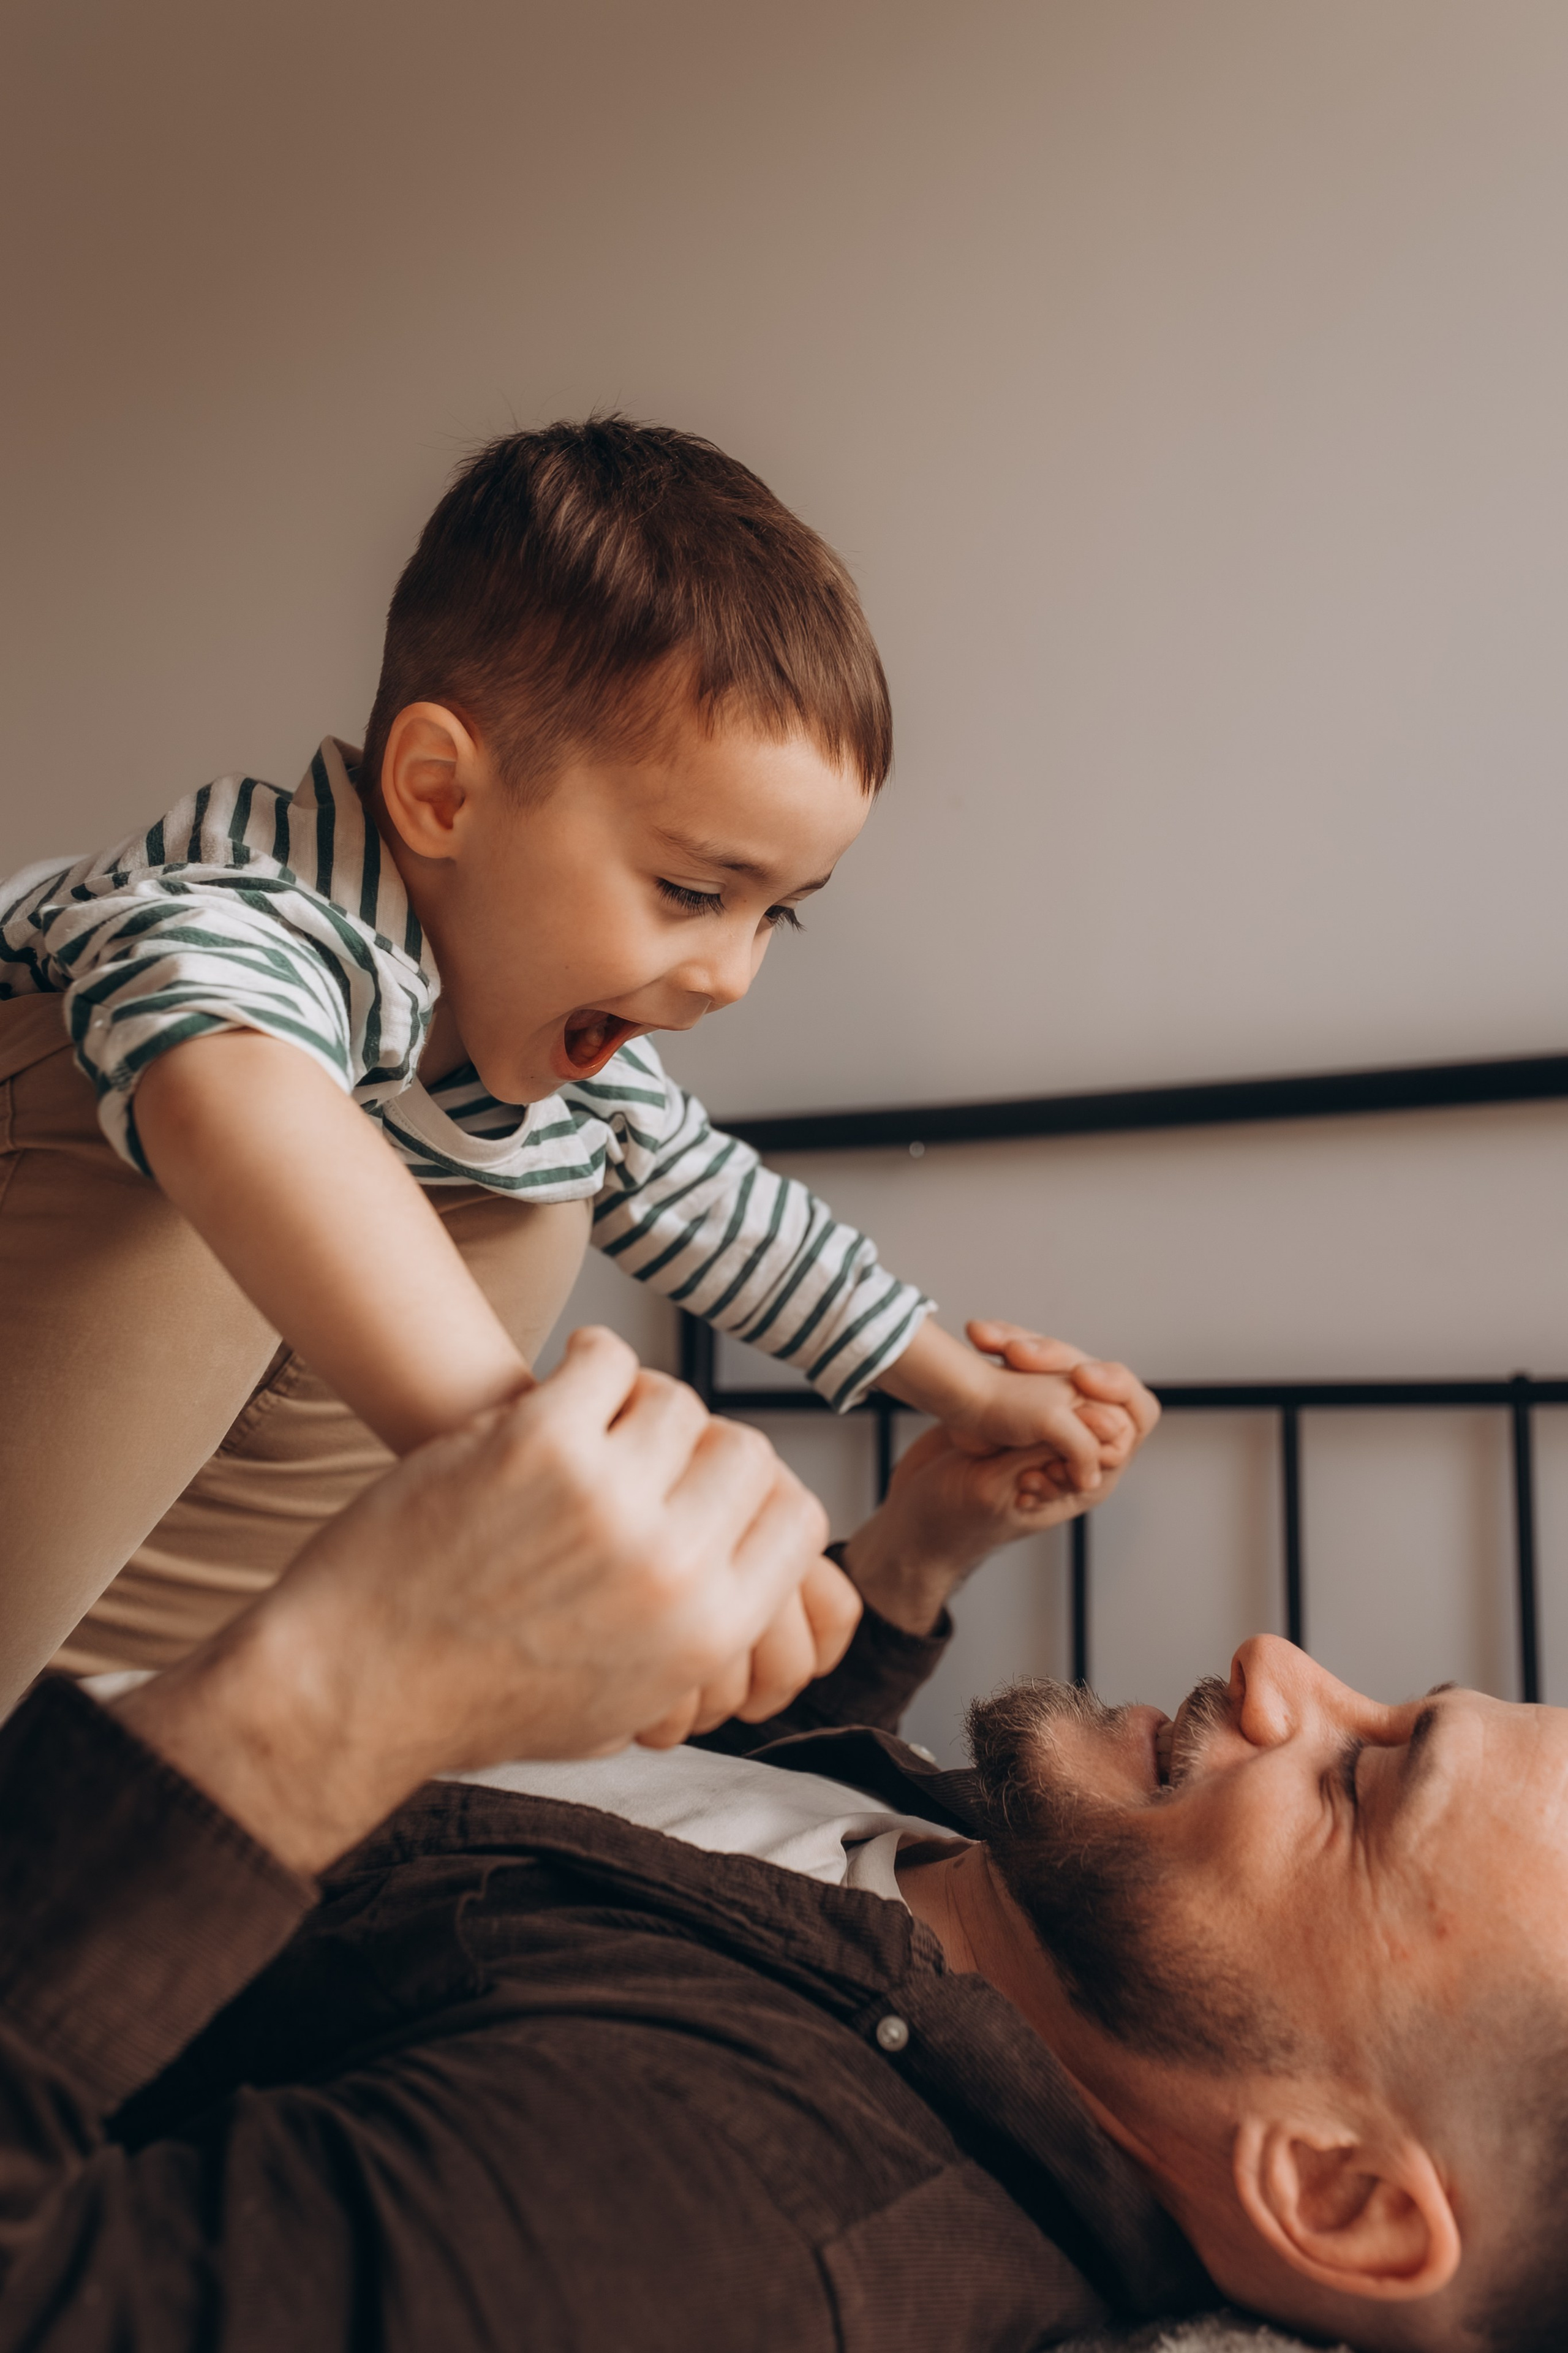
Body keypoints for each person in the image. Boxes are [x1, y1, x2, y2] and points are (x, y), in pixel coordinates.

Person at [9, 1334, 1551, 2353]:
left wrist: (342, 1683)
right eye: (1392, 1697)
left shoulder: (701, 2238)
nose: (1282, 1666)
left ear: (1336, 2197)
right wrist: (903, 1562)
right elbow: (721, 1843)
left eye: (1355, 1784)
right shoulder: (1044, 1916)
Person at [0, 416, 1136, 1703]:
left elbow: (723, 1212)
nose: (730, 973)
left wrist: (968, 1388)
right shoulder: (253, 901)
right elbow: (226, 1082)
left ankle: (153, 1729)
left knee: (542, 1180)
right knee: (209, 1155)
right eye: (691, 888)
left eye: (778, 912)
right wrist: (545, 1464)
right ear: (439, 793)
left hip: (131, 1622)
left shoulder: (545, 1056)